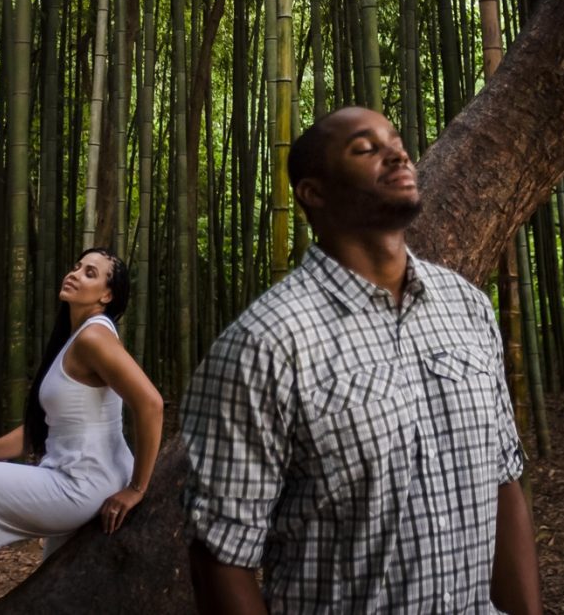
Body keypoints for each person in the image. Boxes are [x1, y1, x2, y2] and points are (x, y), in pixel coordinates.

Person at [181, 107, 542, 614]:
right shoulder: (264, 344)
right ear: (313, 193)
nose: (397, 153)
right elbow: (220, 555)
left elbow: (503, 481)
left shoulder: (468, 306)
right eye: (365, 148)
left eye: (395, 140)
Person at [0, 248, 164, 615]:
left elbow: (151, 404)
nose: (76, 273)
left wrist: (137, 489)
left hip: (81, 484)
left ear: (106, 295)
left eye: (90, 273)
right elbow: (47, 429)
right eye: (77, 266)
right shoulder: (79, 336)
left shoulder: (94, 338)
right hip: (88, 475)